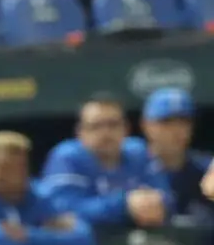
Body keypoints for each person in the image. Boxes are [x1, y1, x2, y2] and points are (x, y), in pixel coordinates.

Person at [41, 94, 173, 229]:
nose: (106, 133)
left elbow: (166, 198)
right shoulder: (67, 157)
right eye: (96, 126)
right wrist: (124, 205)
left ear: (126, 128)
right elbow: (61, 213)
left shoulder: (139, 152)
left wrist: (157, 204)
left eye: (113, 125)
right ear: (80, 132)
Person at [140, 88, 214, 227]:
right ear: (146, 125)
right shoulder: (132, 167)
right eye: (166, 122)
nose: (176, 130)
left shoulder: (206, 167)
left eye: (183, 121)